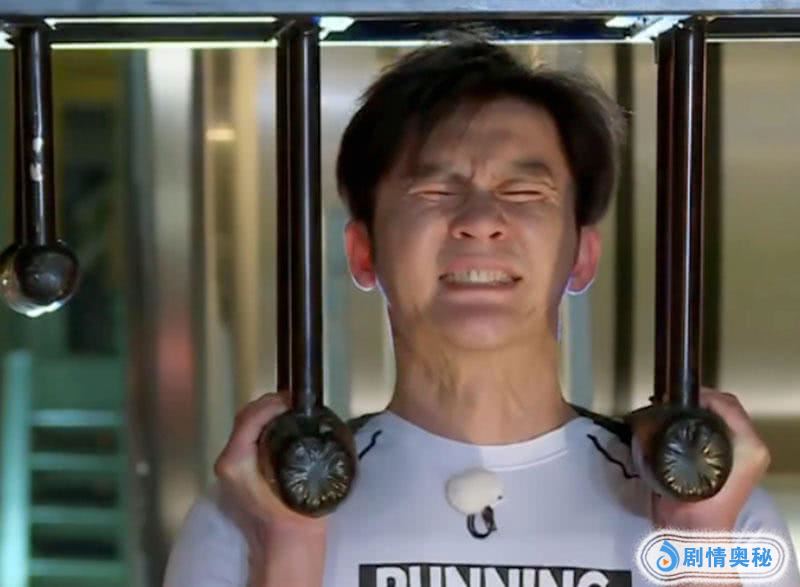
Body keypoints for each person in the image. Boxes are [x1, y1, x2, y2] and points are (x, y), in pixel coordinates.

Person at [163, 39, 800, 587]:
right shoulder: (250, 516)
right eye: (435, 190)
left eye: (523, 192)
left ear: (582, 257)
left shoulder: (727, 518)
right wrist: (290, 550)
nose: (480, 222)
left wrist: (695, 538)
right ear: (363, 252)